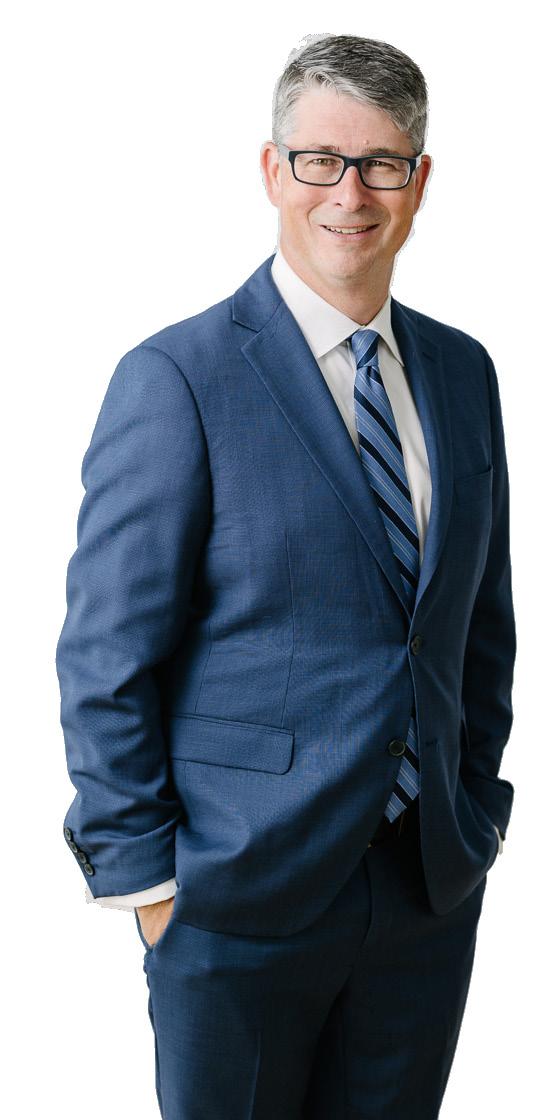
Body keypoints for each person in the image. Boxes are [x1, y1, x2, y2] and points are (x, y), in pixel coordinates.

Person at [55, 32, 516, 1119]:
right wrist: (152, 887)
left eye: (381, 163)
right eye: (320, 160)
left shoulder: (462, 372)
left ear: (420, 182)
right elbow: (105, 655)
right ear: (273, 171)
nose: (349, 193)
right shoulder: (178, 377)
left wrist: (474, 810)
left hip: (424, 892)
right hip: (237, 899)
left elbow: (477, 624)